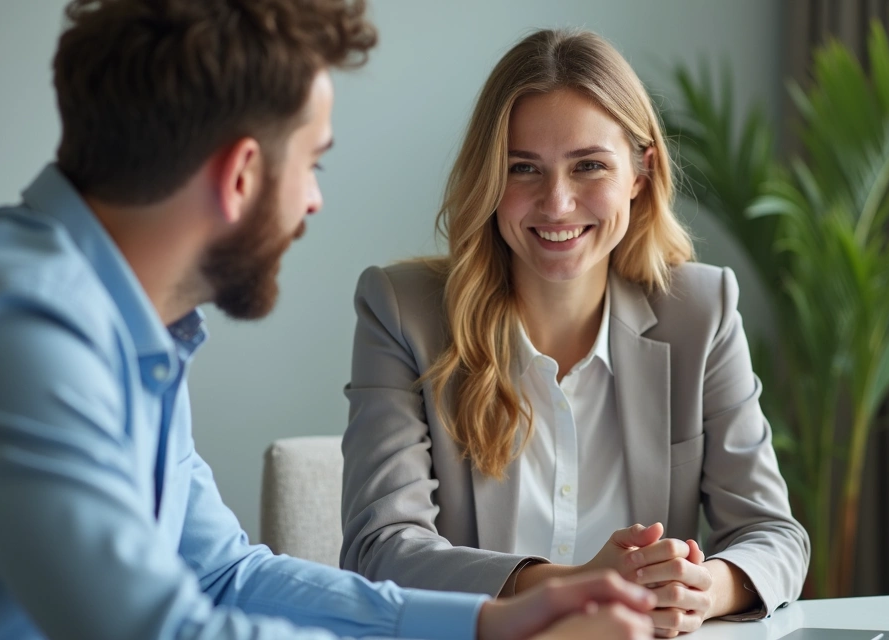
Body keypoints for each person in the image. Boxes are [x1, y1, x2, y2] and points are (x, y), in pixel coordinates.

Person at [0, 4, 661, 639]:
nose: (313, 198)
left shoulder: (126, 328)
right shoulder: (15, 333)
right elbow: (158, 631)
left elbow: (222, 577)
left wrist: (489, 622)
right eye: (313, 162)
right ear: (240, 174)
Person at [340, 28, 811, 637]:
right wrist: (569, 585)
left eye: (589, 165)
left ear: (641, 173)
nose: (557, 204)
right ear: (488, 179)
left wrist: (702, 589)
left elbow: (773, 534)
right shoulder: (403, 310)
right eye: (523, 169)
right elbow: (380, 550)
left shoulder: (702, 310)